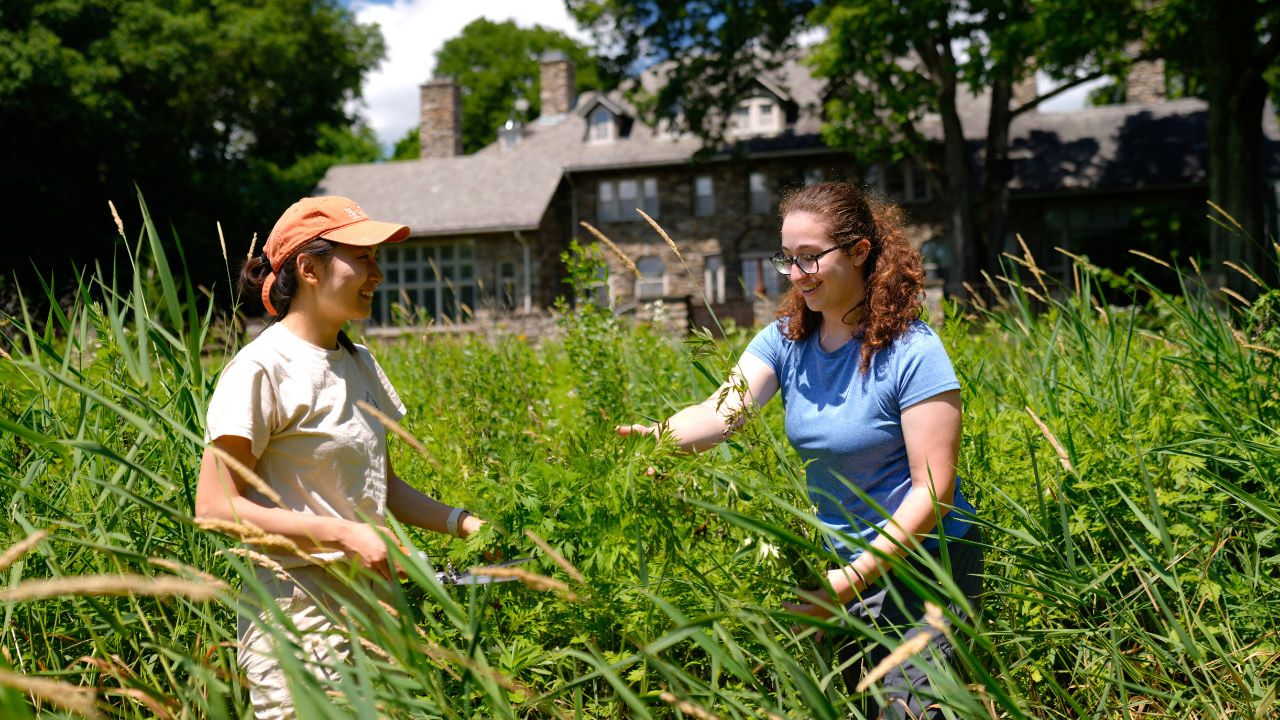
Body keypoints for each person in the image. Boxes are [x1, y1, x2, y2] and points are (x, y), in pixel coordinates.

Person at [617, 182, 982, 718]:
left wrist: (852, 578)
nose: (794, 273)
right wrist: (661, 436)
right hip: (844, 569)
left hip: (928, 565)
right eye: (787, 259)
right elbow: (721, 412)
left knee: (910, 710)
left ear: (859, 252)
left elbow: (936, 489)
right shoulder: (785, 340)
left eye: (810, 257)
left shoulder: (913, 351)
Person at [195, 196, 487, 719]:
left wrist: (465, 525)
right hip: (295, 619)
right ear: (308, 268)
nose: (377, 274)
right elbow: (215, 507)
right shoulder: (261, 369)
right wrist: (345, 534)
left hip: (370, 613)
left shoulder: (359, 362)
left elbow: (385, 488)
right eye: (364, 258)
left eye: (376, 258)